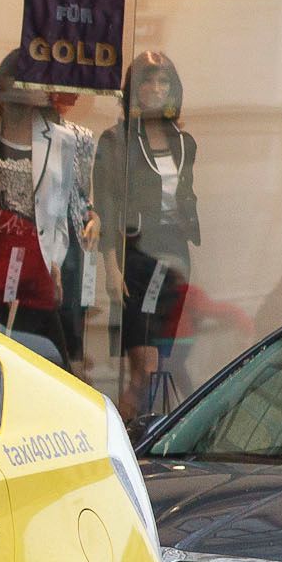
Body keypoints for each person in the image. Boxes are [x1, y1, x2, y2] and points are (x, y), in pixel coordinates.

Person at [0, 51, 97, 365]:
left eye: (26, 99)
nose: (18, 107)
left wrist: (55, 263)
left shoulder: (59, 142)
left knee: (44, 354)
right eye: (12, 99)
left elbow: (59, 213)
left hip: (35, 265)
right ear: (0, 100)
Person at [95, 51, 200, 424]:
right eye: (147, 81)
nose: (155, 89)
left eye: (163, 82)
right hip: (137, 259)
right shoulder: (117, 141)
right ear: (133, 89)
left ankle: (148, 437)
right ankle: (127, 438)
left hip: (174, 258)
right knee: (143, 366)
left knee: (161, 364)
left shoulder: (184, 144)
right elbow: (104, 206)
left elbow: (183, 197)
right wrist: (111, 267)